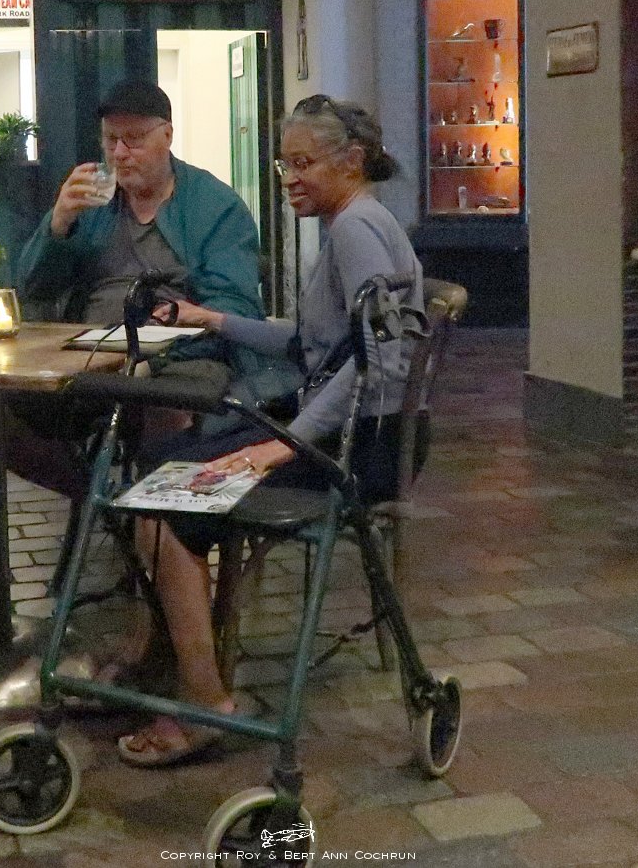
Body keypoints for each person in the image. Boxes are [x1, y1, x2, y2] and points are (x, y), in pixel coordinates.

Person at [112, 93, 421, 767]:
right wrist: (213, 319)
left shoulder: (355, 231)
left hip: (358, 447)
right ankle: (180, 659)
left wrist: (283, 443)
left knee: (161, 508)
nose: (290, 179)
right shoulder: (357, 222)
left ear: (352, 160)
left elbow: (383, 357)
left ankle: (202, 702)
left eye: (304, 164)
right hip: (355, 434)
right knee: (165, 474)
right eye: (284, 165)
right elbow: (317, 346)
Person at [9, 79, 266, 495]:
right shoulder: (92, 204)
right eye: (110, 140)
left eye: (134, 139)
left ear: (167, 135)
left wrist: (170, 337)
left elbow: (235, 307)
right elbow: (34, 287)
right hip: (92, 356)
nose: (119, 153)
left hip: (181, 358)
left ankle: (154, 511)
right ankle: (101, 502)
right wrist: (57, 225)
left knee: (161, 400)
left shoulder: (215, 206)